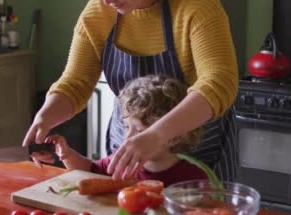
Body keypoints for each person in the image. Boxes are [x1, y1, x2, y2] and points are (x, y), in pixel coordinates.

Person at [23, 0, 238, 181]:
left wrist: (157, 135)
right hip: (127, 139)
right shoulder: (98, 13)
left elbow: (220, 82)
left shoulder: (195, 2)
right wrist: (45, 118)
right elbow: (75, 83)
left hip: (195, 146)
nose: (106, 0)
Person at [45, 74, 208, 187]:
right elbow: (89, 171)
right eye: (126, 127)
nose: (128, 138)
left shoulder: (193, 178)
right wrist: (66, 154)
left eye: (139, 131)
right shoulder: (120, 162)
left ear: (172, 136)